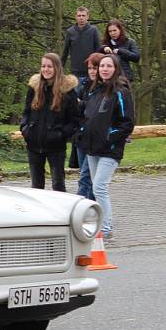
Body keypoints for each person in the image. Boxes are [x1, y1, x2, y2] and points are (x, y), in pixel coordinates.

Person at [74, 53, 134, 239]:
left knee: (99, 186)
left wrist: (109, 137)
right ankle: (97, 223)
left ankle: (106, 228)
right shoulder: (94, 90)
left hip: (110, 149)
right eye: (102, 66)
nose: (104, 69)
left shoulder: (121, 91)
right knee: (93, 185)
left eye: (109, 66)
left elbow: (127, 123)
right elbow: (87, 114)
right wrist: (83, 131)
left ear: (116, 69)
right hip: (92, 148)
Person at [19, 52, 80, 192]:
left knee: (58, 185)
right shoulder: (34, 88)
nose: (46, 69)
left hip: (56, 147)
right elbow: (26, 112)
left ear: (57, 68)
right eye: (43, 66)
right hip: (34, 144)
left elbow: (75, 120)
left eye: (49, 66)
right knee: (36, 187)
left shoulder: (67, 91)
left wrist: (61, 134)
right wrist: (25, 129)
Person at [73, 52, 105, 201]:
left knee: (86, 176)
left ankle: (81, 207)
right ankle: (90, 206)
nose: (92, 71)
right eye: (90, 68)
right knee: (85, 173)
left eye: (95, 68)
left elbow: (96, 111)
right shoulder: (84, 86)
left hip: (95, 138)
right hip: (81, 135)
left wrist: (82, 104)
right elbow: (75, 109)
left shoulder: (104, 89)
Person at [61, 7, 102, 88]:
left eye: (83, 15)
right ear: (76, 17)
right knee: (76, 98)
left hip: (91, 71)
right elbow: (65, 52)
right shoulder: (70, 32)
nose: (81, 18)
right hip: (76, 72)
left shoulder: (93, 30)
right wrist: (60, 69)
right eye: (79, 16)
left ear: (87, 17)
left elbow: (99, 50)